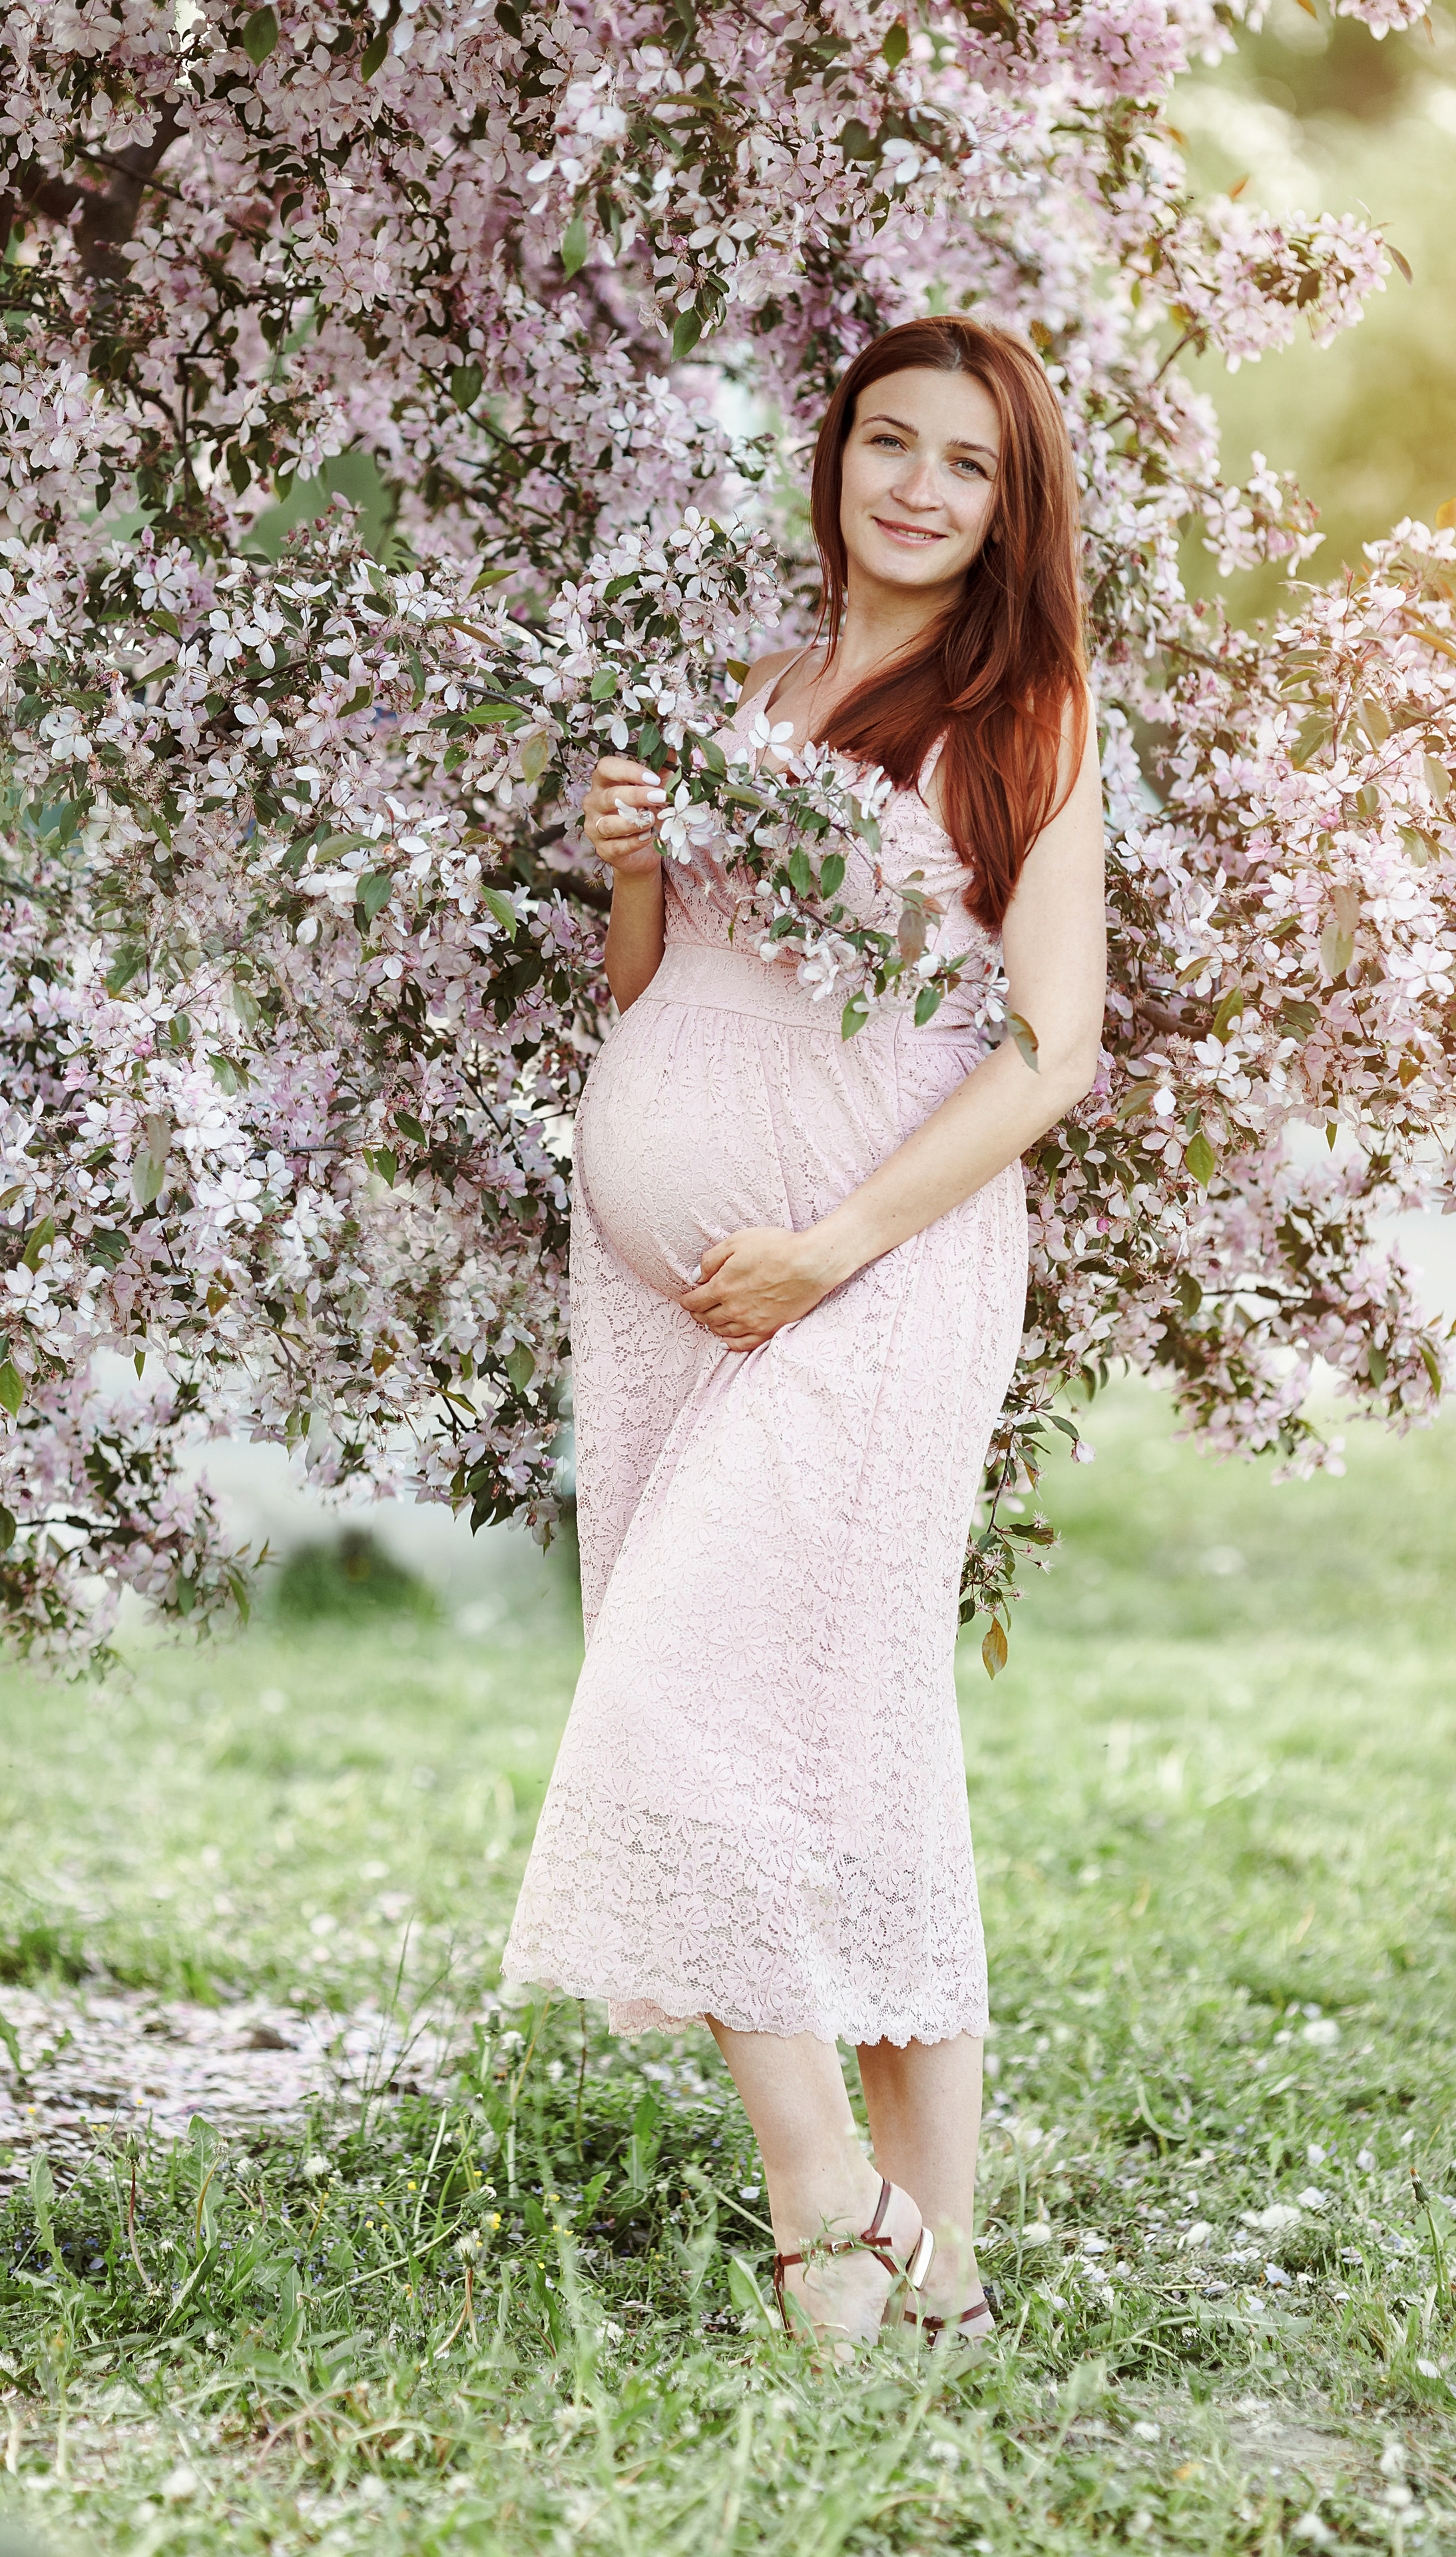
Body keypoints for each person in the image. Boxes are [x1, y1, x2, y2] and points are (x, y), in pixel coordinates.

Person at [503, 314, 1106, 2356]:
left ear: (1011, 510)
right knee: (848, 1750)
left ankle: (821, 2213)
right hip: (687, 1298)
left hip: (881, 1273)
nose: (919, 487)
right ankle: (935, 2280)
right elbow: (663, 996)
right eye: (889, 444)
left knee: (689, 1698)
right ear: (835, 458)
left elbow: (1049, 1051)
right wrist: (631, 876)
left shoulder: (1024, 710)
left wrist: (831, 1247)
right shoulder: (763, 692)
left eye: (968, 464)